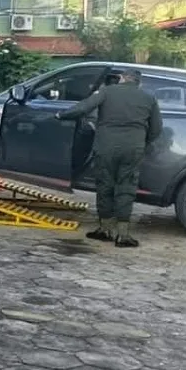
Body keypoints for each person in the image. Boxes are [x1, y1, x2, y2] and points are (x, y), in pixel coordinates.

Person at [55, 68, 162, 248]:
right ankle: (123, 234)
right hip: (133, 148)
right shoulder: (148, 98)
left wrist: (61, 114)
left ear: (121, 79)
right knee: (126, 187)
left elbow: (83, 107)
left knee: (105, 185)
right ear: (138, 82)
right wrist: (141, 141)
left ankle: (105, 229)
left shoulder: (107, 91)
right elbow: (156, 129)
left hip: (106, 146)